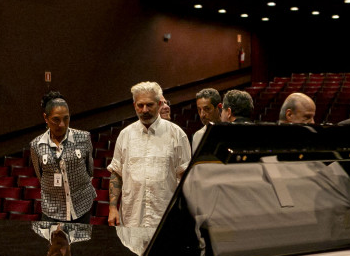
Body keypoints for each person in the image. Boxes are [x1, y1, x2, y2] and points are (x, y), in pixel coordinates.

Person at [107, 81, 191, 228]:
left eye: (149, 105)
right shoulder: (125, 135)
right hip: (131, 218)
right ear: (134, 106)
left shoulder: (177, 134)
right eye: (140, 105)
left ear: (159, 104)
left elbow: (186, 177)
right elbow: (116, 173)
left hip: (165, 217)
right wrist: (112, 208)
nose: (144, 110)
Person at [29, 91, 96, 223]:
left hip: (81, 206)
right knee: (54, 244)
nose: (62, 124)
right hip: (53, 210)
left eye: (66, 118)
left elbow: (90, 170)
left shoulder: (83, 137)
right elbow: (40, 176)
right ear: (46, 118)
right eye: (56, 119)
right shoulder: (36, 145)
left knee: (80, 243)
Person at [191, 88, 222, 154]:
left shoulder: (231, 131)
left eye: (207, 109)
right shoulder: (197, 136)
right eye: (199, 110)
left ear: (219, 107)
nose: (202, 115)